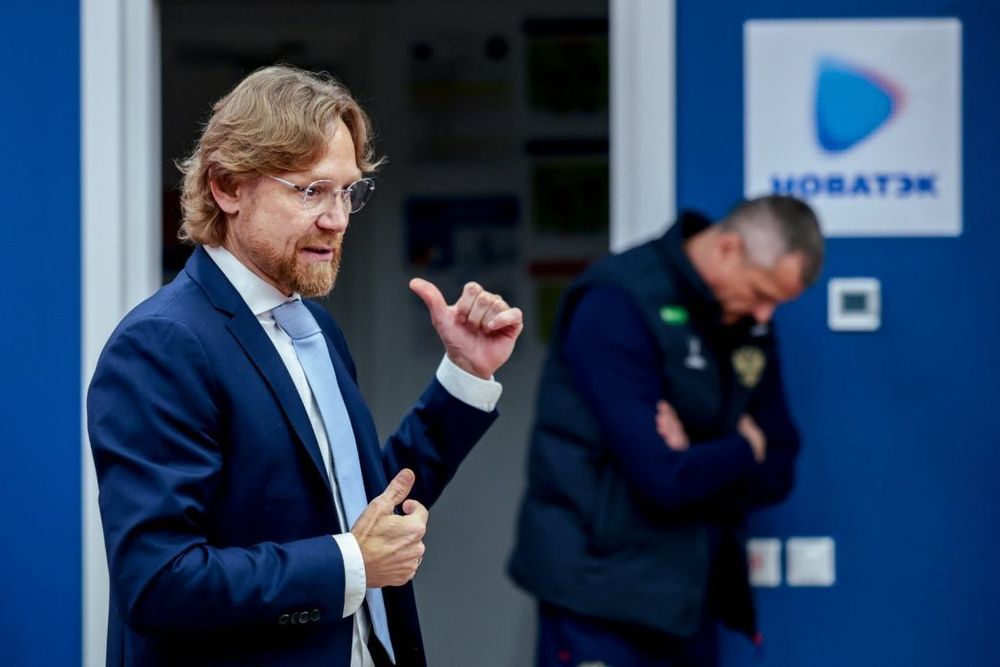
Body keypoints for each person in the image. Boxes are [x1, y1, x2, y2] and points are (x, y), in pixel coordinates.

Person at [87, 64, 523, 667]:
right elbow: (158, 580)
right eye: (309, 190)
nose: (337, 219)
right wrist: (350, 564)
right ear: (227, 188)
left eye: (348, 192)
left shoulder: (313, 327)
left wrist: (466, 375)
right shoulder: (163, 343)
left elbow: (365, 506)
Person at [508, 195, 824, 666]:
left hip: (689, 599)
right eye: (762, 294)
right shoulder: (616, 302)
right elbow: (662, 478)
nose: (765, 316)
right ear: (728, 249)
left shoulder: (748, 323)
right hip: (597, 595)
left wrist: (695, 455)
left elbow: (778, 468)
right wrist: (742, 447)